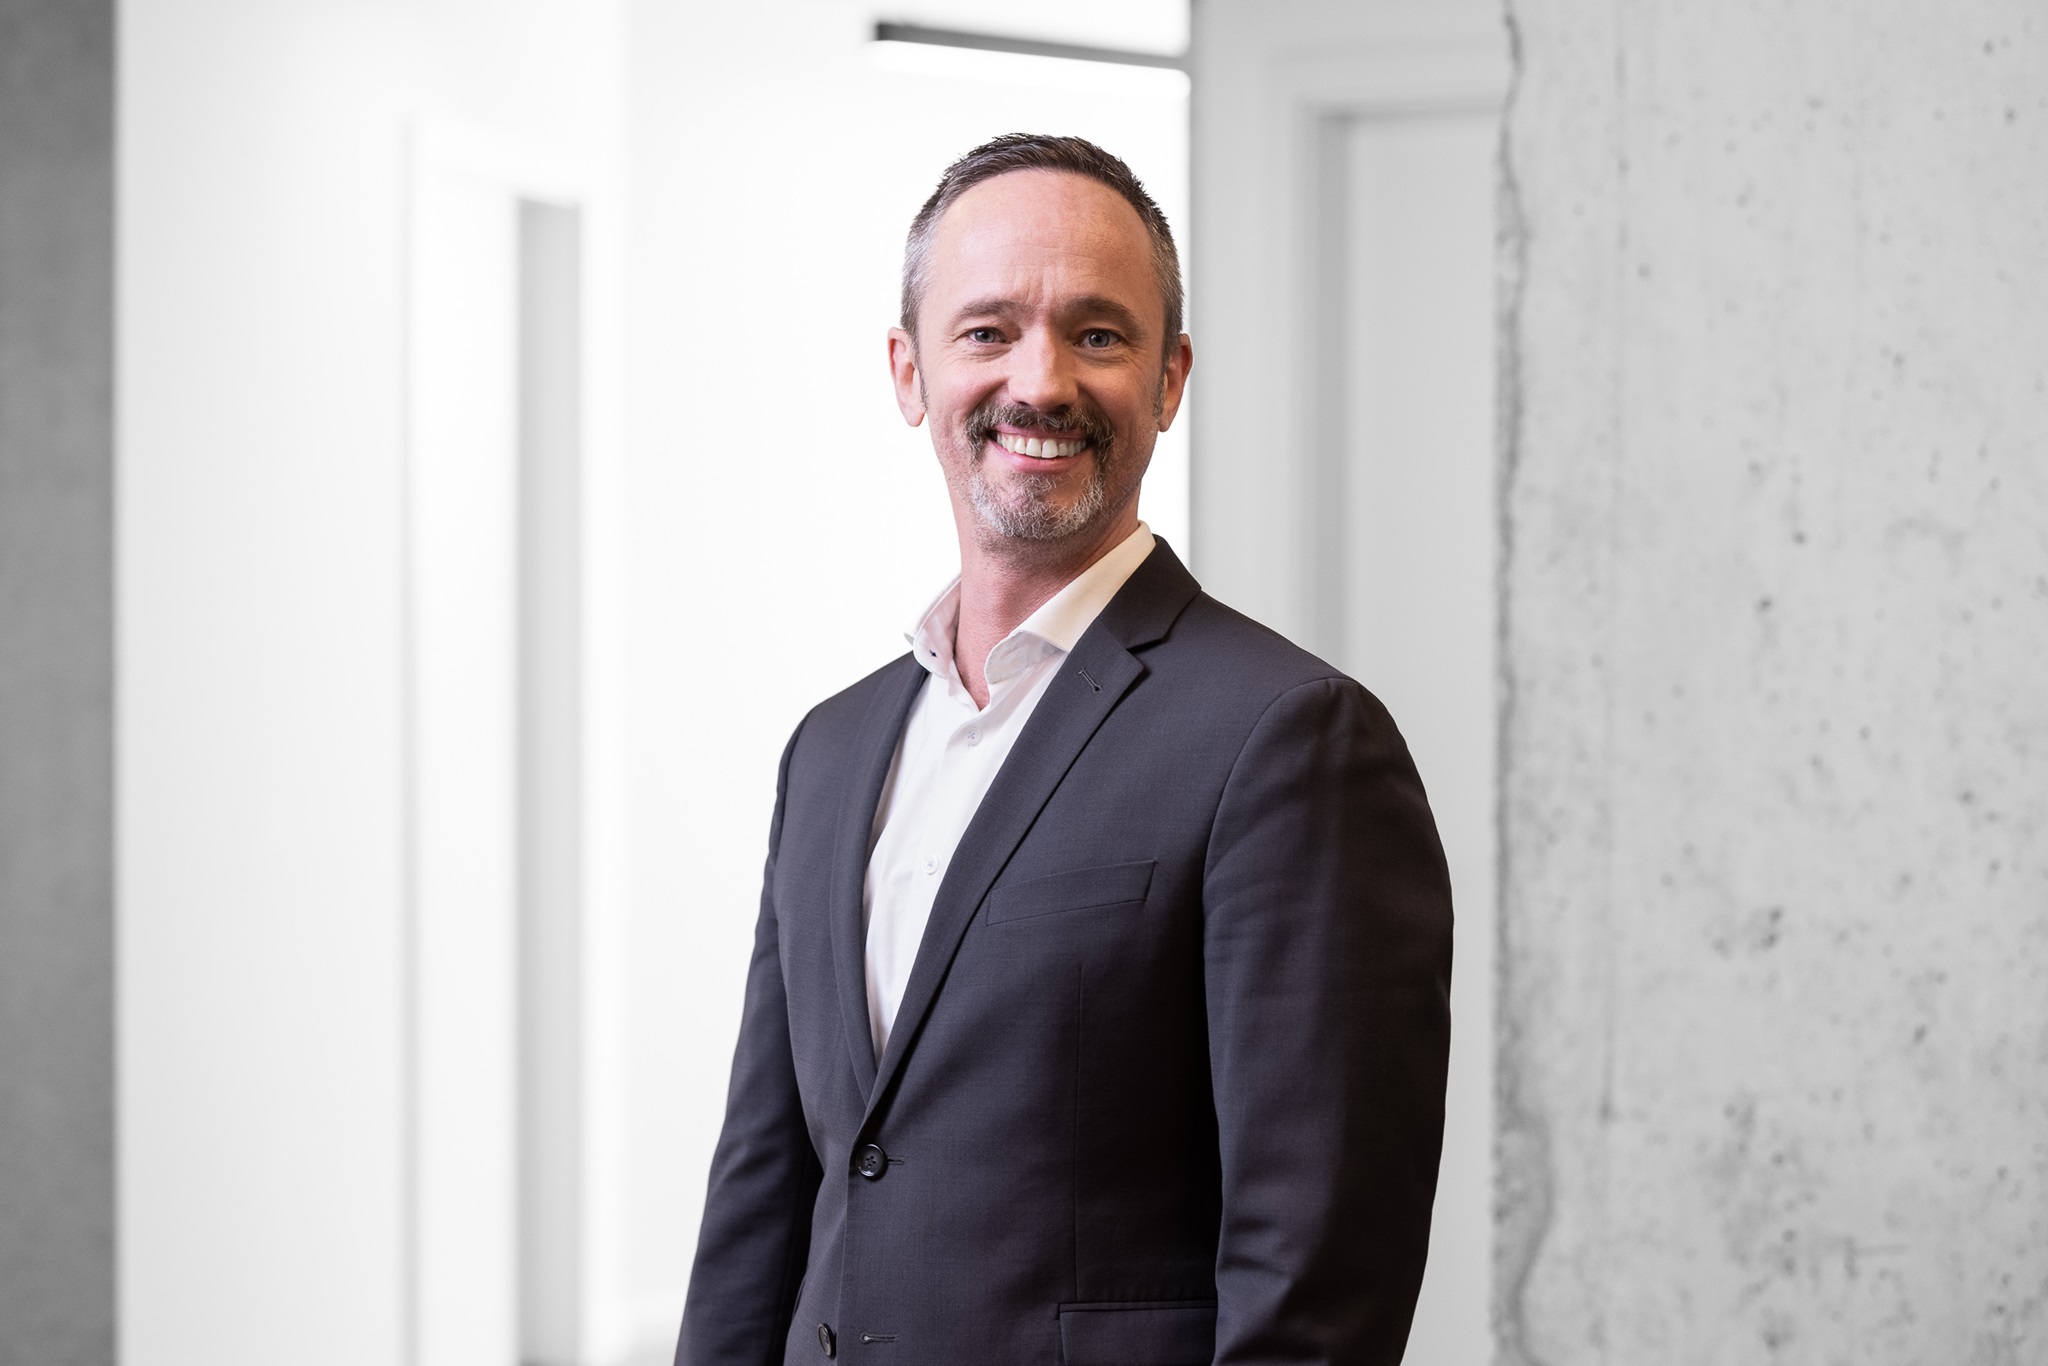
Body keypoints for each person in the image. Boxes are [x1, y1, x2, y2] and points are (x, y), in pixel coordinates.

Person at [676, 134, 1452, 1366]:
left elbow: (1316, 1284)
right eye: (986, 331)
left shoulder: (1288, 741)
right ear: (909, 371)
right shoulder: (828, 751)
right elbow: (761, 1200)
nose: (1039, 382)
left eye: (1096, 335)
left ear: (1168, 378)